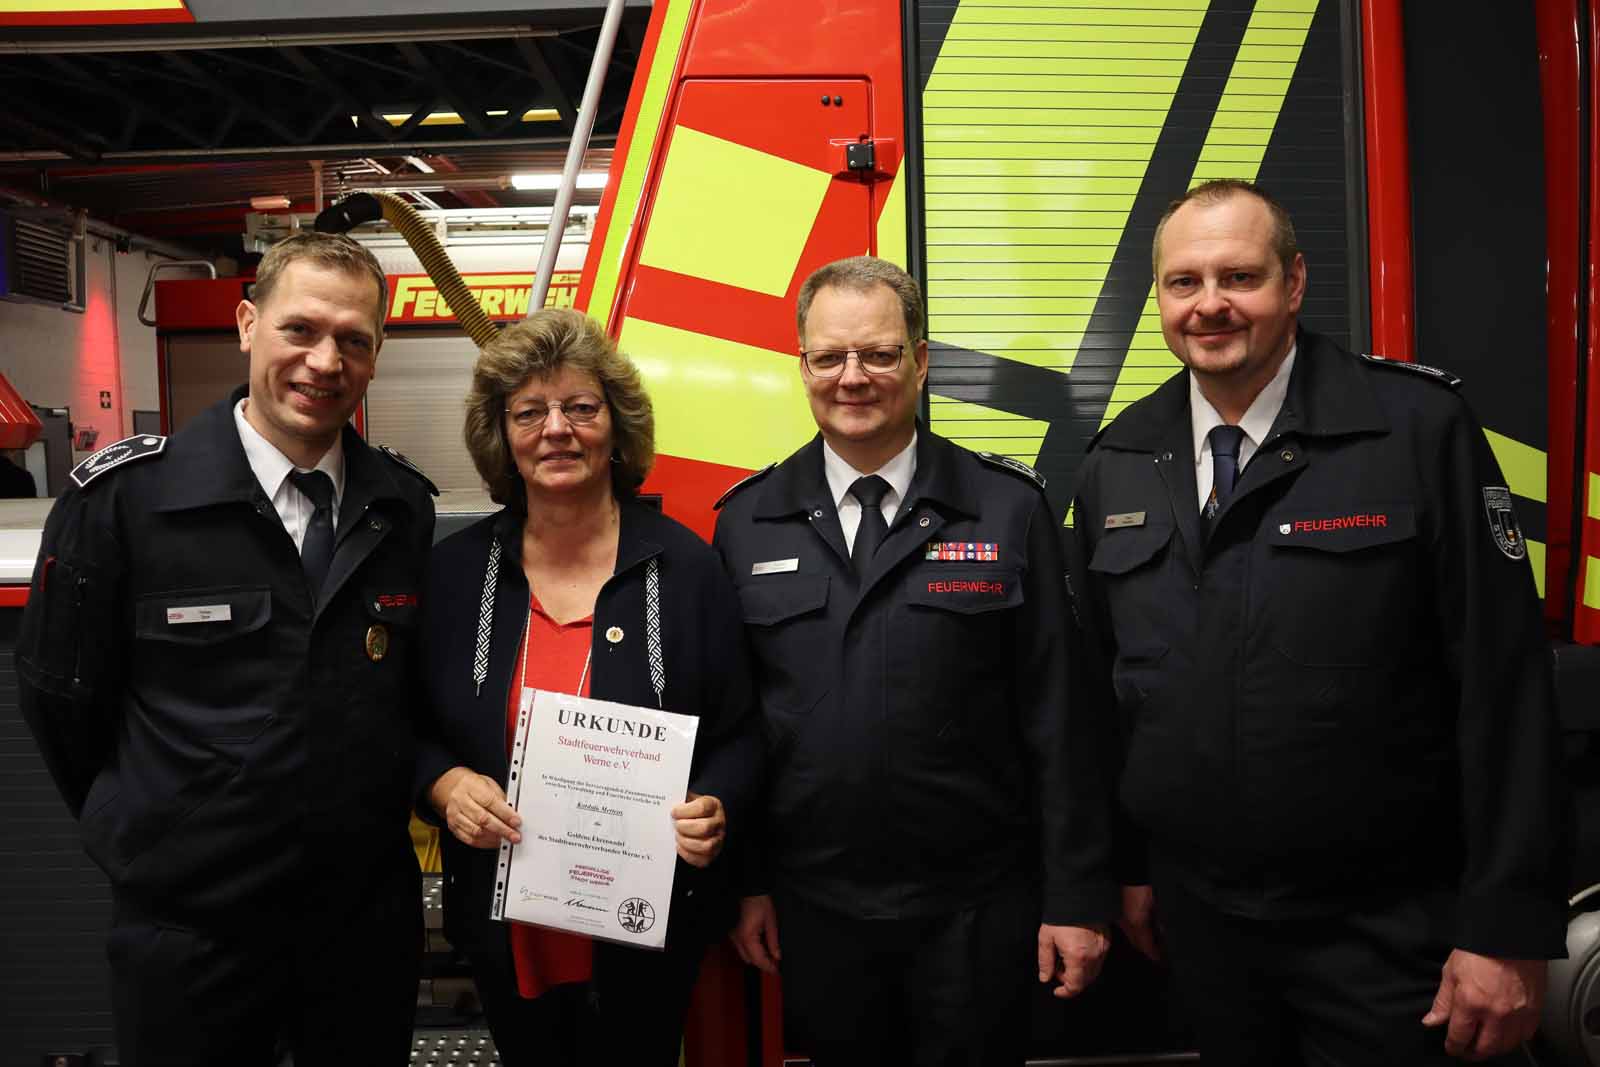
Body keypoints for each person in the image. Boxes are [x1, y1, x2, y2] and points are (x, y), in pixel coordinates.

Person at [1073, 178, 1569, 1065]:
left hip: (1388, 929)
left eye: (1240, 277)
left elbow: (1505, 688)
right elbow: (1103, 701)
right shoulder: (1118, 459)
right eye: (1184, 282)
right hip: (1203, 928)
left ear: (1295, 283)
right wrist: (1132, 866)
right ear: (1157, 299)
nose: (1211, 304)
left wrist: (1504, 925)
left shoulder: (1415, 429)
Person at [15, 231, 436, 1065]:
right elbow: (62, 701)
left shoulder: (402, 510)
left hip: (359, 932)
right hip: (190, 933)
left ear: (377, 354)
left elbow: (406, 696)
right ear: (247, 323)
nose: (325, 361)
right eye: (300, 330)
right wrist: (151, 838)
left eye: (354, 340)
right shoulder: (126, 501)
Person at [713, 255, 1116, 1065]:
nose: (852, 377)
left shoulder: (1007, 507)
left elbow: (1062, 716)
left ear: (921, 359)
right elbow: (737, 724)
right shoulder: (749, 520)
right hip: (814, 911)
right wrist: (747, 882)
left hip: (976, 909)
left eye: (880, 353)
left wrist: (1077, 897)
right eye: (829, 357)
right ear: (803, 367)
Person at [415, 307, 761, 1066]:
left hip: (647, 920)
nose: (557, 429)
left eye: (580, 407)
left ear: (616, 425)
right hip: (508, 927)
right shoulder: (454, 573)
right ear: (502, 433)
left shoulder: (688, 568)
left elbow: (741, 731)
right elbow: (405, 725)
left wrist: (717, 804)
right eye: (529, 411)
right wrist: (443, 784)